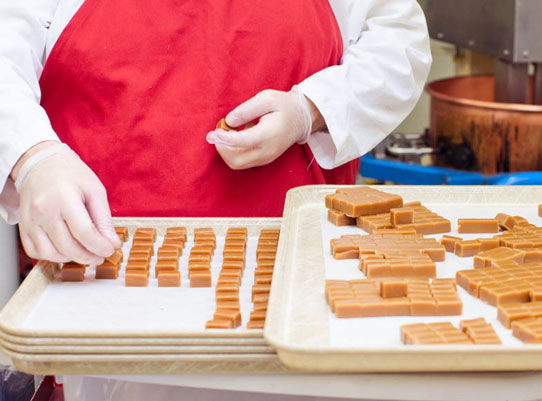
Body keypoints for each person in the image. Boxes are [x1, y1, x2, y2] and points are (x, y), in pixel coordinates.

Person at [0, 0, 431, 265]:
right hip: (93, 267)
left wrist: (310, 110)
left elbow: (399, 44)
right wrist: (34, 156)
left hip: (294, 270)